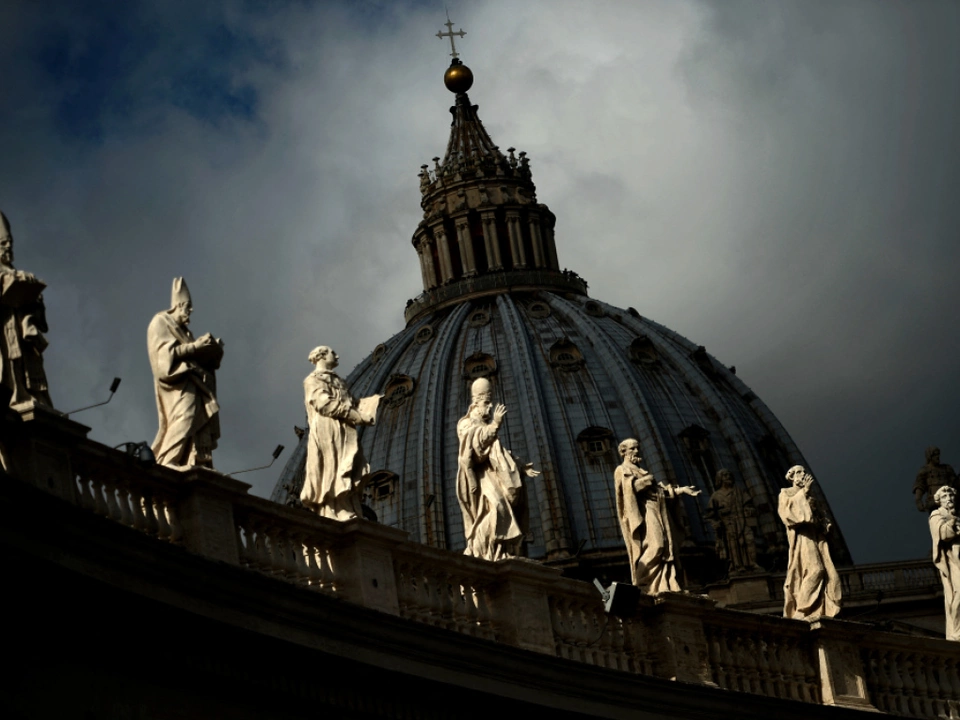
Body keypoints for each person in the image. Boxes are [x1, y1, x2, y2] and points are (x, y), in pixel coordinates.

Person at [456, 377, 539, 561]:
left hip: (492, 475)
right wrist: (495, 424)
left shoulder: (483, 424)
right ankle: (485, 550)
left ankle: (502, 549)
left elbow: (499, 453)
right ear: (476, 403)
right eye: (486, 402)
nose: (490, 406)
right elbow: (475, 448)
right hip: (480, 479)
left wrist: (521, 466)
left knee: (504, 507)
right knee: (498, 507)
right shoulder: (466, 424)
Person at [147, 278, 223, 469]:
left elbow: (192, 354)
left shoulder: (185, 332)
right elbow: (163, 357)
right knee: (184, 416)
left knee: (193, 418)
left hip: (193, 381)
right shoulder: (160, 322)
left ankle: (191, 458)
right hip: (178, 382)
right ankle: (168, 460)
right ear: (179, 305)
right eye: (188, 307)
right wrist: (195, 347)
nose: (190, 311)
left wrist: (211, 351)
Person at [300, 346, 379, 521]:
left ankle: (348, 504)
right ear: (321, 356)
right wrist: (357, 416)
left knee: (350, 464)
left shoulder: (339, 381)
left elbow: (350, 402)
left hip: (345, 427)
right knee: (334, 465)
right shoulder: (312, 380)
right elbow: (324, 404)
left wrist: (369, 403)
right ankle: (334, 508)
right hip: (329, 428)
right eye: (332, 353)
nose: (337, 356)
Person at [614, 438, 700, 594]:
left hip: (658, 511)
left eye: (637, 448)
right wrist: (644, 482)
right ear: (623, 452)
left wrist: (681, 490)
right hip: (645, 513)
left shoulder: (641, 471)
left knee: (665, 546)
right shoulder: (622, 469)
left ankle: (664, 584)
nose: (636, 451)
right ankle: (642, 583)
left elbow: (659, 492)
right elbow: (627, 493)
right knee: (656, 545)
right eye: (632, 449)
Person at [0, 211, 52, 409]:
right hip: (4, 331)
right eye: (3, 243)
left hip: (18, 333)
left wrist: (33, 295)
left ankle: (26, 393)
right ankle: (14, 393)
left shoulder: (15, 271)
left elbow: (39, 319)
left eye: (10, 242)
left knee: (23, 364)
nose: (8, 246)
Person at [778, 465, 841, 620]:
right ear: (792, 476)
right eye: (800, 472)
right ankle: (802, 609)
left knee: (827, 573)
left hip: (816, 538)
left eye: (804, 472)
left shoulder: (812, 495)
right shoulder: (786, 493)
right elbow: (788, 515)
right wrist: (804, 492)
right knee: (816, 569)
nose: (803, 474)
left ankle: (815, 608)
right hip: (802, 538)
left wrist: (825, 524)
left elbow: (821, 517)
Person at [707, 469, 763, 575]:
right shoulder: (716, 496)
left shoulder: (740, 491)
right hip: (728, 524)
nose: (728, 477)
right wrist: (717, 522)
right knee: (733, 545)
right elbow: (711, 515)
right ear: (720, 479)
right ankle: (737, 566)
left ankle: (752, 563)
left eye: (729, 474)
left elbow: (748, 505)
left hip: (742, 521)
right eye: (725, 475)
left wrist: (749, 510)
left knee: (749, 540)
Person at [929, 486, 960, 641]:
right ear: (939, 501)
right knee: (958, 593)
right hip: (953, 560)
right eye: (944, 496)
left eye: (950, 495)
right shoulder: (936, 514)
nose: (949, 498)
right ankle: (957, 631)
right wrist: (953, 521)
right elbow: (943, 534)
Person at [914, 446, 958, 512]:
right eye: (935, 455)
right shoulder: (924, 470)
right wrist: (918, 501)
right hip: (933, 502)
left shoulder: (947, 468)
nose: (937, 457)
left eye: (938, 454)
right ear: (930, 457)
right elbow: (920, 486)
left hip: (949, 499)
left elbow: (955, 482)